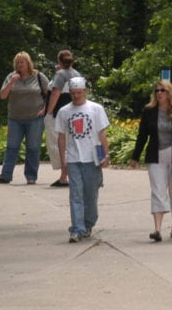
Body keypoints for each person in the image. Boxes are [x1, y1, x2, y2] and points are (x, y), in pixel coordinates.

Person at [128, 79, 172, 242]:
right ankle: (157, 229)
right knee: (157, 191)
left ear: (169, 92)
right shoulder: (149, 111)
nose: (159, 94)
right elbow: (142, 135)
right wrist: (135, 157)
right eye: (156, 91)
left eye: (162, 90)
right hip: (155, 157)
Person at [55, 77, 109, 242]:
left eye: (79, 92)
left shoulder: (96, 109)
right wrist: (63, 159)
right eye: (73, 93)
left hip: (92, 158)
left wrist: (106, 155)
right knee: (76, 194)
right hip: (74, 158)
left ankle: (88, 223)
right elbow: (62, 137)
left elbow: (102, 134)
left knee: (90, 195)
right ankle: (77, 228)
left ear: (85, 91)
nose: (76, 96)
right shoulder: (64, 111)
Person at [0, 51, 50, 185]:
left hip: (35, 118)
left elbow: (49, 93)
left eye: (22, 62)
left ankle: (31, 176)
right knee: (12, 147)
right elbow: (2, 95)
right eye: (17, 62)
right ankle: (5, 176)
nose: (19, 64)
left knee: (33, 147)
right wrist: (11, 82)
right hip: (15, 119)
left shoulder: (39, 76)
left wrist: (45, 109)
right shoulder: (11, 77)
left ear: (28, 63)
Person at [45, 49, 83, 187]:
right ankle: (70, 174)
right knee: (72, 143)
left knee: (58, 144)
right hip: (74, 112)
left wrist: (49, 111)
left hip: (59, 113)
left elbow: (55, 93)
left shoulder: (60, 75)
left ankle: (64, 174)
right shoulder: (76, 74)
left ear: (59, 61)